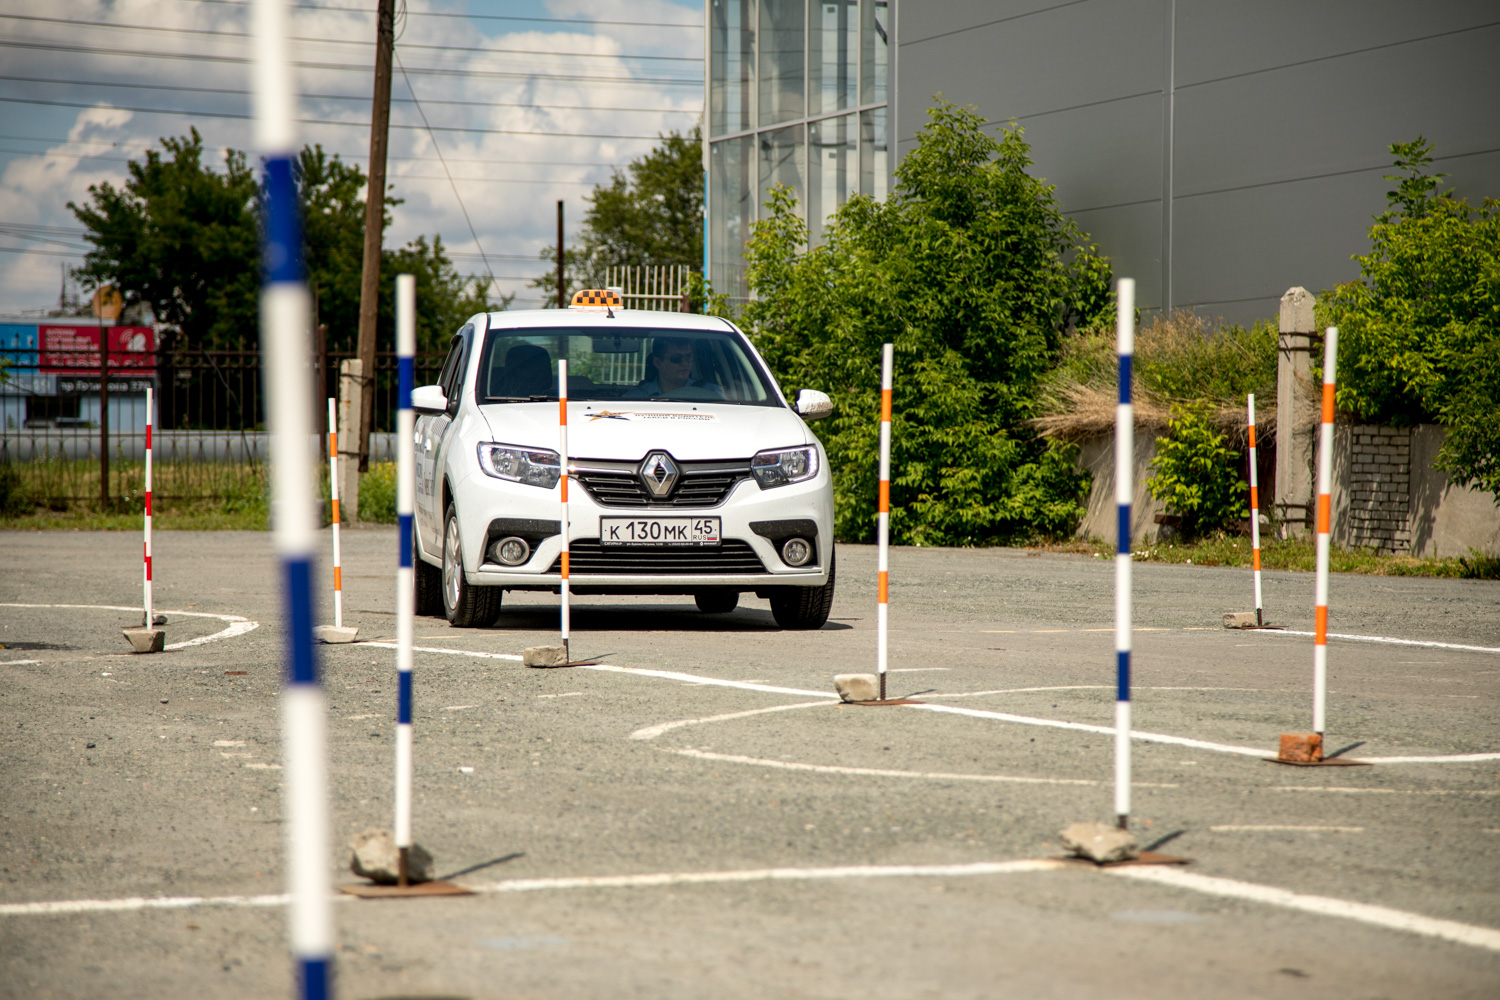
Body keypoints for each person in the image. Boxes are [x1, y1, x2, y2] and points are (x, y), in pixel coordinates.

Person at [622, 336, 723, 399]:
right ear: (658, 362)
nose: (684, 363)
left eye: (688, 357)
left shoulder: (712, 394)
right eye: (677, 358)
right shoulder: (635, 398)